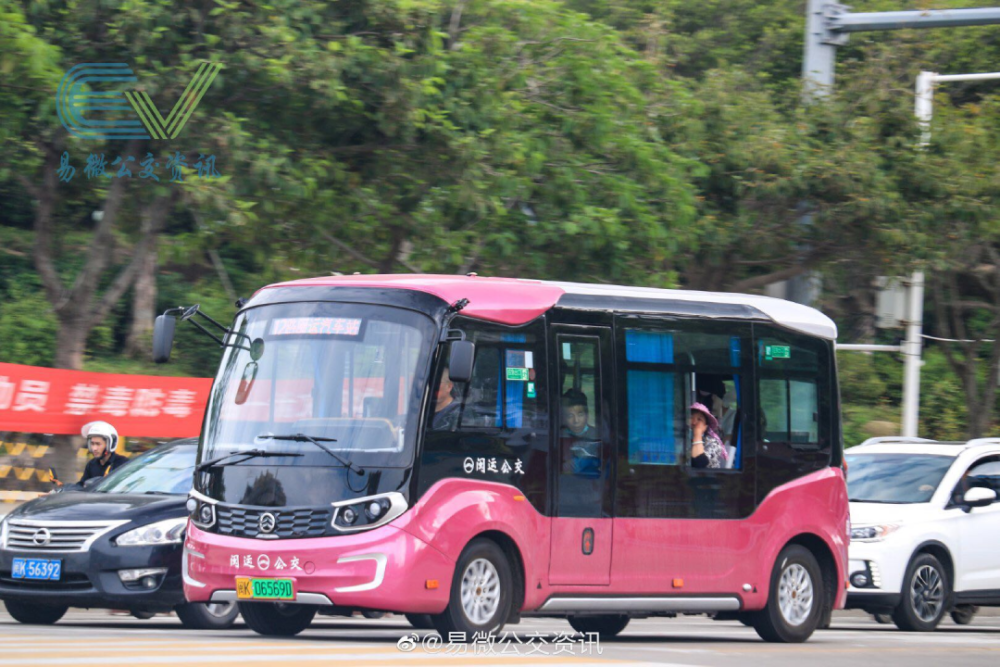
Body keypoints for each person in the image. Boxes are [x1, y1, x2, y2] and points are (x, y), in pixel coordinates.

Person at [560, 390, 600, 476]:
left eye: (580, 414)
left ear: (587, 415)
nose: (576, 421)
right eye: (570, 416)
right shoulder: (559, 436)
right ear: (564, 418)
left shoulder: (597, 435)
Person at [78, 421, 128, 486]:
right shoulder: (91, 464)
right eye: (92, 444)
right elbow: (82, 485)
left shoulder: (123, 464)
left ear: (110, 444)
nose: (94, 448)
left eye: (98, 444)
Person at [690, 402, 727, 469]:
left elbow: (699, 463)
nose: (694, 422)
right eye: (691, 417)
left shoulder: (713, 443)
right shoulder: (683, 440)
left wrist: (697, 434)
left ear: (705, 426)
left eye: (699, 419)